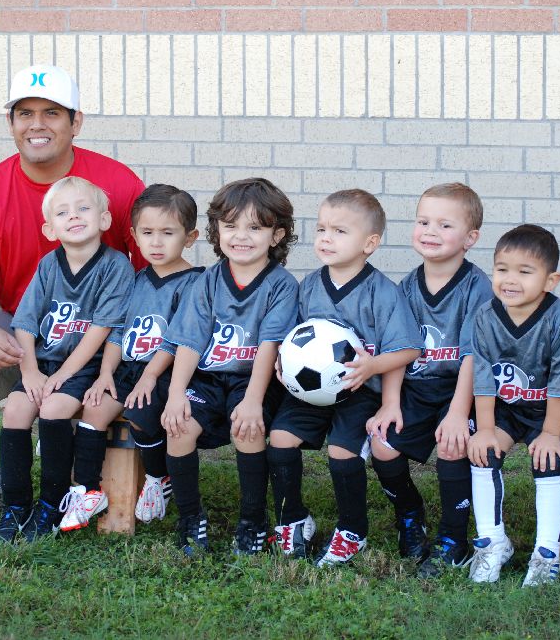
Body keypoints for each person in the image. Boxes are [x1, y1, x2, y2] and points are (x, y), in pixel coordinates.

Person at [0, 64, 145, 525]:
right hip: (28, 335)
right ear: (10, 123)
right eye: (25, 113)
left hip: (97, 337)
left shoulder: (116, 184)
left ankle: (73, 447)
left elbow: (151, 269)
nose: (37, 124)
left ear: (76, 122)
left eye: (52, 112)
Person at [269, 189, 421, 566]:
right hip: (311, 391)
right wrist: (283, 361)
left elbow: (407, 350)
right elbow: (292, 337)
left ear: (369, 243)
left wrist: (373, 368)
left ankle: (353, 530)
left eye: (339, 231)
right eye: (322, 229)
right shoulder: (309, 286)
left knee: (342, 451)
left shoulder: (383, 292)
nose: (326, 238)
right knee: (280, 437)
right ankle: (293, 519)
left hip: (360, 390)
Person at [161, 178, 299, 556]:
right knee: (178, 427)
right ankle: (190, 517)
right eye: (231, 225)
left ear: (276, 235)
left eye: (255, 227)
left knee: (247, 429)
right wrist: (176, 393)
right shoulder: (208, 280)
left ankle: (252, 520)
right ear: (216, 230)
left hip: (254, 378)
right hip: (208, 378)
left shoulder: (281, 285)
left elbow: (269, 346)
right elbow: (190, 340)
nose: (241, 236)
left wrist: (253, 401)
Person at [0, 177, 134, 543]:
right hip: (44, 362)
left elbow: (102, 328)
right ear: (49, 229)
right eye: (63, 212)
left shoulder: (115, 266)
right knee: (15, 411)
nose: (74, 216)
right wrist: (29, 371)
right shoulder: (48, 265)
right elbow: (25, 322)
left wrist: (62, 376)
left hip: (87, 365)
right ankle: (15, 506)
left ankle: (52, 504)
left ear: (104, 219)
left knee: (54, 409)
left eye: (83, 208)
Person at [363, 183, 492, 578]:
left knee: (454, 445)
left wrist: (458, 414)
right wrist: (390, 403)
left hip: (461, 391)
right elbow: (399, 350)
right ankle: (409, 514)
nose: (430, 231)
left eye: (444, 225)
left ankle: (454, 539)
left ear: (470, 238)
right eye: (423, 222)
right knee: (383, 443)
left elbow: (473, 356)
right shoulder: (405, 287)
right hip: (417, 388)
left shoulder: (477, 287)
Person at [61, 185, 204, 532]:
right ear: (134, 236)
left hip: (167, 372)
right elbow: (118, 333)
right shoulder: (135, 280)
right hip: (129, 368)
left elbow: (179, 340)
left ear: (190, 237)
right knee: (95, 409)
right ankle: (88, 490)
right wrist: (105, 373)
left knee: (140, 411)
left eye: (167, 233)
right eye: (147, 233)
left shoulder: (196, 283)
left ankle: (157, 476)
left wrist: (150, 377)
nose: (156, 242)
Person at [465, 224, 560, 586]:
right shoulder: (485, 316)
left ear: (551, 280)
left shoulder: (558, 319)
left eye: (524, 271)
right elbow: (483, 377)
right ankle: (493, 542)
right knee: (483, 453)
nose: (510, 280)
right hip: (506, 409)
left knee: (548, 460)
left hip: (550, 412)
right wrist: (485, 429)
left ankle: (546, 553)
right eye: (502, 269)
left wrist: (550, 434)